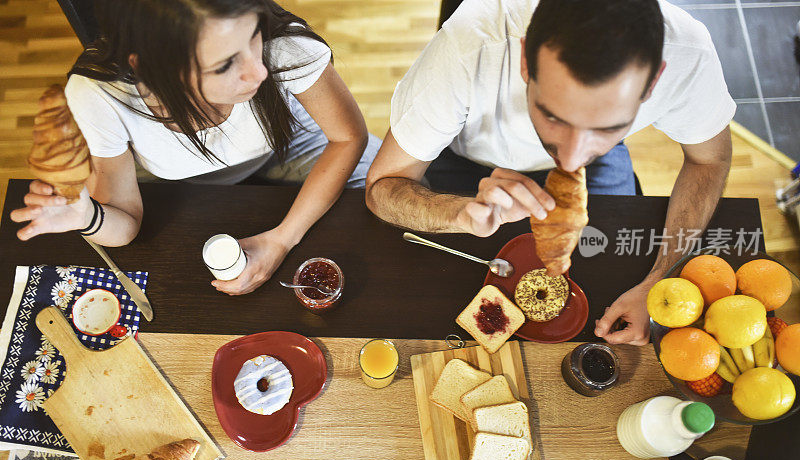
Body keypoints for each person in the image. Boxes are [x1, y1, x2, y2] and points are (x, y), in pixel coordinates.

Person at [365, 0, 734, 345]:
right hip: (466, 160)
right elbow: (382, 188)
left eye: (606, 126)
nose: (572, 161)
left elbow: (709, 160)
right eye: (553, 116)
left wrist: (660, 281)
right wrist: (459, 214)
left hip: (603, 165)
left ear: (652, 82)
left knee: (612, 272)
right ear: (526, 60)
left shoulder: (690, 54)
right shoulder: (469, 46)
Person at [11, 0, 379, 295]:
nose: (259, 73)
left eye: (253, 36)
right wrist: (86, 216)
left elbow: (348, 138)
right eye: (224, 65)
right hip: (169, 177)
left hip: (287, 146)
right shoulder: (99, 94)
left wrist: (282, 240)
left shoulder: (284, 45)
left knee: (384, 183)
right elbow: (125, 224)